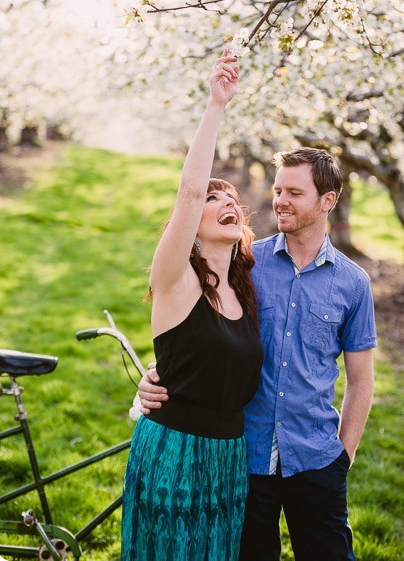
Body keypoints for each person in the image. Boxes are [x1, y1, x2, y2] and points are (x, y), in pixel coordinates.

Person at [139, 143, 377, 560]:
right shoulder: (246, 264)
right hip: (243, 459)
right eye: (278, 190)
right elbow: (198, 329)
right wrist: (159, 374)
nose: (280, 201)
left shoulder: (354, 284)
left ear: (328, 201)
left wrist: (343, 457)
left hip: (317, 458)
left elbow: (360, 381)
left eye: (294, 193)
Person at [121, 50, 264, 561]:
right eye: (212, 199)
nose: (225, 202)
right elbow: (187, 191)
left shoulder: (247, 290)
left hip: (228, 460)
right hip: (174, 455)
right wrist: (216, 106)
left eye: (232, 200)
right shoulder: (177, 279)